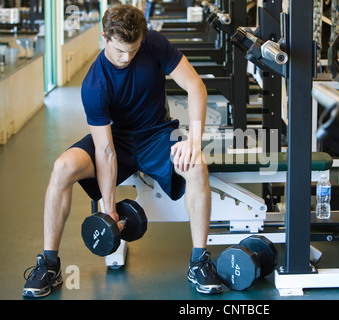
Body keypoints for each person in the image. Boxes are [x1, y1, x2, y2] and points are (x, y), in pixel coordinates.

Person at [23, 4, 223, 298]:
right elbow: (105, 151)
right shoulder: (95, 84)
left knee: (196, 165)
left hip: (157, 134)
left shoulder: (154, 43)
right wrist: (110, 208)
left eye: (133, 49)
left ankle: (199, 260)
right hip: (117, 140)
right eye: (119, 50)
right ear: (104, 37)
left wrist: (193, 140)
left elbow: (195, 86)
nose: (127, 57)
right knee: (62, 167)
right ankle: (49, 264)